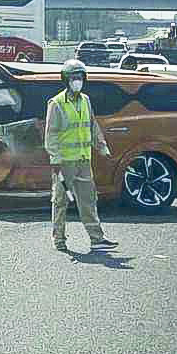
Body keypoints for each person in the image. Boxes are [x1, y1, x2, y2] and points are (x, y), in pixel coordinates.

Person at [44, 59, 119, 252]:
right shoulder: (57, 103)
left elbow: (92, 126)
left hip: (84, 160)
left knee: (88, 200)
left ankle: (97, 239)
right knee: (60, 201)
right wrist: (55, 159)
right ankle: (59, 239)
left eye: (80, 77)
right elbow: (51, 134)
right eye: (73, 77)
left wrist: (102, 148)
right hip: (64, 163)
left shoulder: (85, 100)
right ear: (66, 80)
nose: (77, 81)